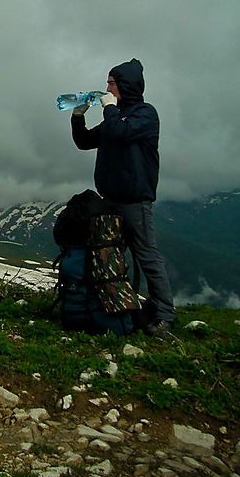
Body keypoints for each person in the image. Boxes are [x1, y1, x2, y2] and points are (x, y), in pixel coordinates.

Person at [70, 58, 175, 337]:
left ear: (126, 86)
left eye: (112, 83)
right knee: (112, 256)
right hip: (110, 198)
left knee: (146, 254)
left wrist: (110, 109)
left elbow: (121, 131)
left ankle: (164, 313)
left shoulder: (144, 115)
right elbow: (84, 142)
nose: (107, 88)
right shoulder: (116, 116)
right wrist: (78, 117)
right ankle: (118, 306)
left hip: (134, 200)